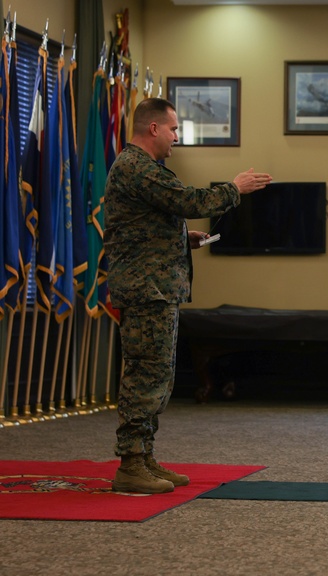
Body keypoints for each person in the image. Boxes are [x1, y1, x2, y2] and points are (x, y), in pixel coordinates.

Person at [104, 98, 272, 494]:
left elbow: (152, 220)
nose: (177, 137)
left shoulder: (144, 169)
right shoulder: (137, 167)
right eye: (174, 129)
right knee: (146, 375)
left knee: (158, 376)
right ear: (153, 129)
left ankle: (144, 457)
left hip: (156, 288)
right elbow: (189, 201)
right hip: (147, 291)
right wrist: (235, 188)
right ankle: (130, 463)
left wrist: (182, 237)